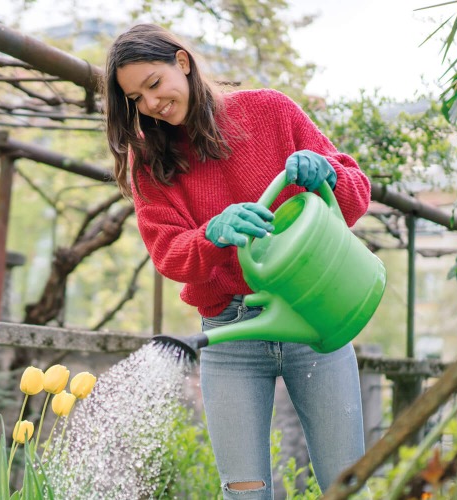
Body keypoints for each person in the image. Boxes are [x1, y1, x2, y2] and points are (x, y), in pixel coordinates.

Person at [103, 23, 371, 498]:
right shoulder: (150, 162)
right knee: (244, 491)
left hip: (313, 314)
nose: (150, 104)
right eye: (135, 99)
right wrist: (211, 234)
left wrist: (325, 174)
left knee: (345, 482)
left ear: (181, 63)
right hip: (231, 330)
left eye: (153, 84)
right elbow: (169, 255)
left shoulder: (270, 110)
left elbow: (353, 198)